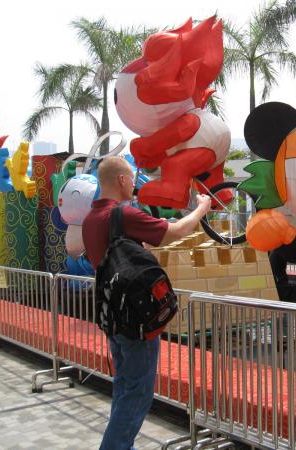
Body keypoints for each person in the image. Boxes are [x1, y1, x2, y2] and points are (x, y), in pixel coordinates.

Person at [82, 157, 211, 450]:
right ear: (123, 181)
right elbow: (176, 231)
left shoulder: (91, 219)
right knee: (138, 393)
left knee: (125, 388)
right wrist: (202, 208)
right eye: (132, 178)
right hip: (136, 318)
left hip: (112, 315)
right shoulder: (122, 215)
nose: (134, 183)